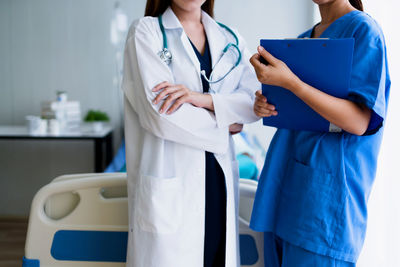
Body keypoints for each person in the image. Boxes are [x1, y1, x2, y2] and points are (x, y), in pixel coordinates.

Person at [248, 0, 391, 266]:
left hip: (323, 207)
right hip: (284, 194)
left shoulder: (363, 31)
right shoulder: (305, 40)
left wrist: (292, 84)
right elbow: (294, 112)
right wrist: (265, 104)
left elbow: (360, 122)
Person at [121, 0, 259, 266]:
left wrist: (203, 101)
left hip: (218, 180)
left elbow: (253, 103)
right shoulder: (146, 32)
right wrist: (226, 122)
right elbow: (160, 115)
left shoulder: (229, 38)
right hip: (172, 180)